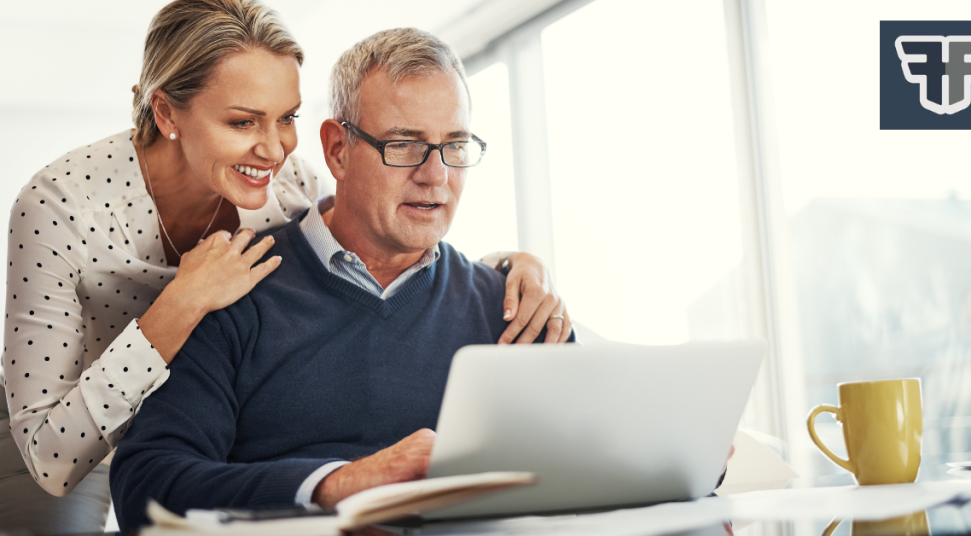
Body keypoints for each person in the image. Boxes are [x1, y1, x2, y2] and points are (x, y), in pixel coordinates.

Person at [0, 2, 570, 533]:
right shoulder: (62, 208)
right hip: (61, 430)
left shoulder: (288, 184)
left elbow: (380, 226)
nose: (274, 150)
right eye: (244, 122)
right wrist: (184, 302)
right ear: (167, 112)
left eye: (286, 119)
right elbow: (64, 460)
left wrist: (506, 270)